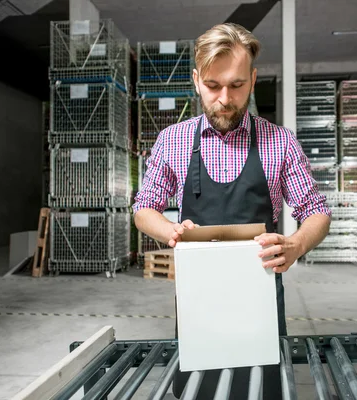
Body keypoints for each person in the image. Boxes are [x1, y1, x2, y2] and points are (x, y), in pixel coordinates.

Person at [133, 23, 331, 400]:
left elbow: (317, 212)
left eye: (237, 85)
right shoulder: (172, 141)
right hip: (197, 303)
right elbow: (144, 209)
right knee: (197, 392)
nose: (225, 98)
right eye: (213, 85)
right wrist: (169, 231)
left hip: (261, 303)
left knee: (262, 390)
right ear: (196, 81)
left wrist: (296, 244)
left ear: (253, 80)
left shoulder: (281, 142)